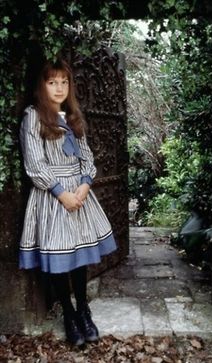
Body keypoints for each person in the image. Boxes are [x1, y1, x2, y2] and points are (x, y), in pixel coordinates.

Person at [19, 58, 117, 346]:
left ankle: (84, 310)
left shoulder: (72, 115)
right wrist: (62, 193)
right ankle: (70, 314)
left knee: (79, 257)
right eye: (52, 82)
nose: (59, 88)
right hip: (53, 197)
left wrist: (85, 185)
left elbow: (87, 157)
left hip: (80, 194)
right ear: (42, 85)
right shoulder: (33, 116)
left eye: (64, 81)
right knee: (61, 257)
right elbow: (35, 164)